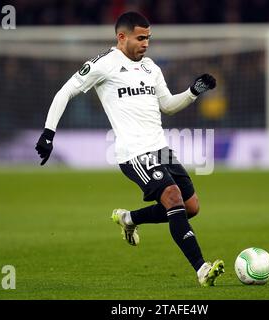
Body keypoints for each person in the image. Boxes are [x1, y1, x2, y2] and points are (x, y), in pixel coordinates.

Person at [35, 11, 224, 286]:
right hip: (133, 152)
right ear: (121, 37)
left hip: (161, 149)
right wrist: (48, 133)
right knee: (172, 197)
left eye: (148, 38)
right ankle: (202, 269)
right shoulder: (104, 64)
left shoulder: (151, 68)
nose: (146, 43)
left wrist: (193, 92)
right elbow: (65, 92)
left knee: (191, 207)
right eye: (141, 38)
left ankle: (129, 218)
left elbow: (168, 106)